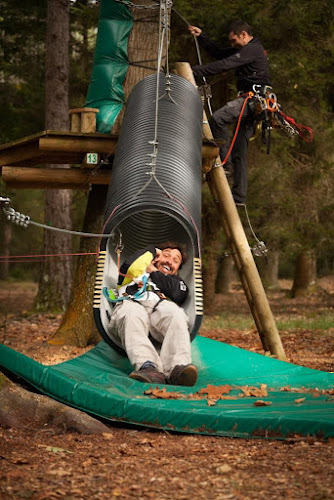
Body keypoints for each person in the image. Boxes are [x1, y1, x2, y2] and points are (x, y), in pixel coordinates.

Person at [189, 20, 271, 205]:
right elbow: (218, 53)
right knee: (239, 152)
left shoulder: (253, 49)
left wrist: (193, 71)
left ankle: (224, 164)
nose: (232, 45)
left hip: (251, 100)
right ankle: (239, 197)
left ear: (243, 34)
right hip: (254, 103)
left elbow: (224, 64)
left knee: (217, 119)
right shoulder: (244, 50)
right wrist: (201, 37)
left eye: (234, 40)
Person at [107, 242, 198, 386]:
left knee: (176, 315)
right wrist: (153, 251)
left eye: (176, 260)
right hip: (132, 301)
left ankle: (178, 368)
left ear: (177, 271)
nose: (169, 261)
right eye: (166, 255)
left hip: (159, 307)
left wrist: (153, 271)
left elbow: (177, 293)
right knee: (130, 314)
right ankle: (148, 367)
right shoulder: (134, 272)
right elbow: (130, 265)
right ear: (155, 258)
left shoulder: (176, 282)